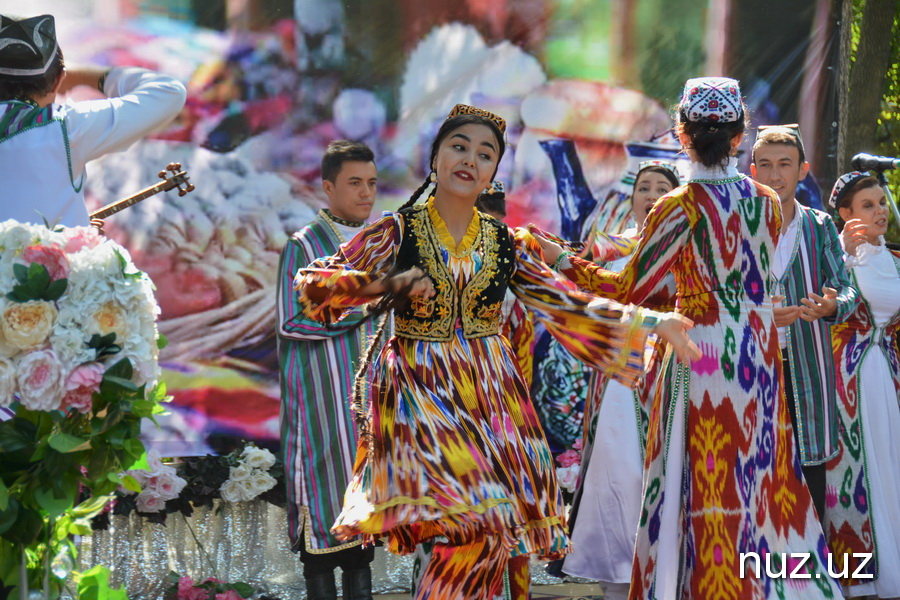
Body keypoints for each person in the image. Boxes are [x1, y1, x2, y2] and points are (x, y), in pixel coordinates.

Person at [297, 104, 699, 600]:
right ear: (436, 157)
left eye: (485, 154)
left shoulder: (506, 242)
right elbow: (314, 287)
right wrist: (389, 283)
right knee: (477, 519)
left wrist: (652, 320)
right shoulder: (398, 231)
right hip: (423, 395)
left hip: (493, 398)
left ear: (494, 171)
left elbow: (565, 300)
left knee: (494, 535)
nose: (470, 159)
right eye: (459, 147)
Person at [535, 77, 842, 599]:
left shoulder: (679, 204)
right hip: (757, 354)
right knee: (758, 477)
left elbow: (629, 287)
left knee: (698, 479)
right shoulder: (766, 201)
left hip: (698, 352)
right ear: (740, 134)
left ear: (682, 134)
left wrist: (562, 261)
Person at [559, 160, 680, 600]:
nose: (649, 194)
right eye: (642, 187)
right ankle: (615, 576)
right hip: (619, 379)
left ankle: (662, 576)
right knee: (619, 472)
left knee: (658, 474)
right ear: (630, 201)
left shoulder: (683, 247)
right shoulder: (609, 249)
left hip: (669, 373)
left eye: (660, 187)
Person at [276, 140, 379, 600]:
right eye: (354, 183)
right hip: (320, 409)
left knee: (362, 537)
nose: (366, 193)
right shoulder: (305, 246)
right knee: (320, 530)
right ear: (328, 187)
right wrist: (372, 298)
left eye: (372, 183)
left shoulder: (378, 246)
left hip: (370, 410)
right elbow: (294, 320)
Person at [749, 125, 859, 521]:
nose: (775, 174)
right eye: (766, 165)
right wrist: (758, 314)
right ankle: (758, 574)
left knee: (809, 472)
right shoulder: (739, 225)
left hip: (808, 369)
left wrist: (832, 307)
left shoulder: (820, 225)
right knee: (755, 470)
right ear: (753, 170)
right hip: (751, 367)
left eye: (784, 164)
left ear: (802, 170)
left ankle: (810, 576)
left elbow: (846, 289)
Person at [0, 14, 186, 228]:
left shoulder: (67, 126)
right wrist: (88, 77)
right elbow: (169, 92)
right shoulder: (66, 126)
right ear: (59, 80)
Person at [825, 172, 900, 600]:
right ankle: (855, 578)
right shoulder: (834, 255)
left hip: (886, 376)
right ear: (846, 214)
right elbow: (822, 300)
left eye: (882, 202)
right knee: (852, 472)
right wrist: (845, 256)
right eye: (868, 205)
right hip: (844, 378)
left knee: (888, 466)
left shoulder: (894, 258)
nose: (880, 211)